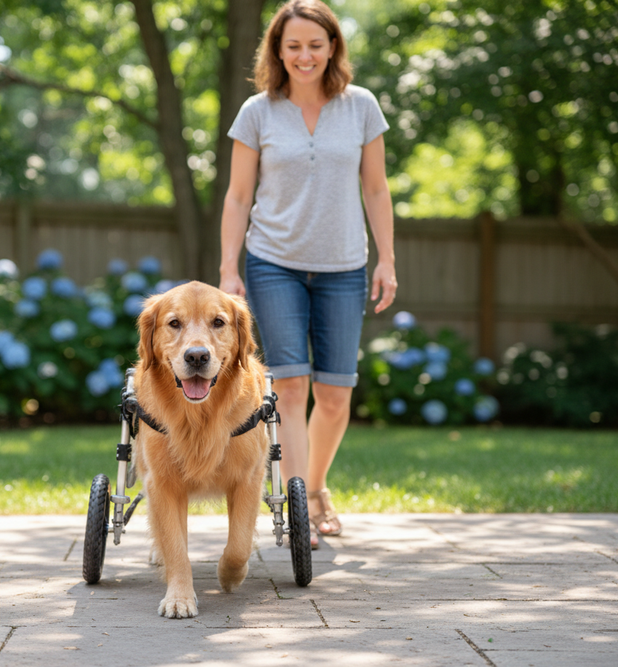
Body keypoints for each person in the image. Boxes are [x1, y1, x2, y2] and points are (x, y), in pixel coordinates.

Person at [219, 0, 396, 547]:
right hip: (273, 263)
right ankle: (299, 510)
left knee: (337, 393)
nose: (305, 55)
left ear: (333, 47)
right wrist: (229, 269)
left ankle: (314, 489)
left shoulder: (361, 107)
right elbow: (239, 194)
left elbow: (375, 188)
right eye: (293, 45)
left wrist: (387, 258)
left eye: (315, 45)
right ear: (277, 49)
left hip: (344, 266)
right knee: (291, 387)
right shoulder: (257, 111)